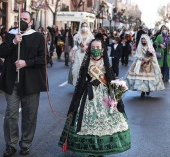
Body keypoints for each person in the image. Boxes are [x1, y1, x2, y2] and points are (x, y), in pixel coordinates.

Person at [58, 39, 131, 156]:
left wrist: (115, 95)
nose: (96, 49)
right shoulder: (86, 62)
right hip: (88, 95)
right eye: (93, 47)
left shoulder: (106, 63)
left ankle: (101, 149)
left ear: (102, 49)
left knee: (104, 122)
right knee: (88, 122)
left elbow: (110, 79)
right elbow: (81, 80)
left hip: (104, 96)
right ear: (90, 49)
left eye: (98, 47)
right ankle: (91, 149)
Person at [0, 11, 47, 156]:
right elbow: (1, 52)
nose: (22, 21)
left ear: (31, 22)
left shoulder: (38, 37)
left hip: (31, 83)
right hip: (12, 82)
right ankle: (11, 144)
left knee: (29, 115)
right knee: (11, 115)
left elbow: (43, 59)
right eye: (20, 19)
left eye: (25, 19)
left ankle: (26, 143)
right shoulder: (10, 35)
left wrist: (26, 62)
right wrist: (14, 42)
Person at [70, 21, 94, 86]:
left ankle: (85, 85)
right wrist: (72, 56)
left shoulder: (91, 37)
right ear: (81, 27)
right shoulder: (77, 36)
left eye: (86, 26)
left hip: (87, 55)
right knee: (76, 71)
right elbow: (75, 47)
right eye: (83, 26)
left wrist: (88, 49)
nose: (85, 28)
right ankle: (77, 85)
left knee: (87, 71)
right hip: (78, 55)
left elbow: (93, 47)